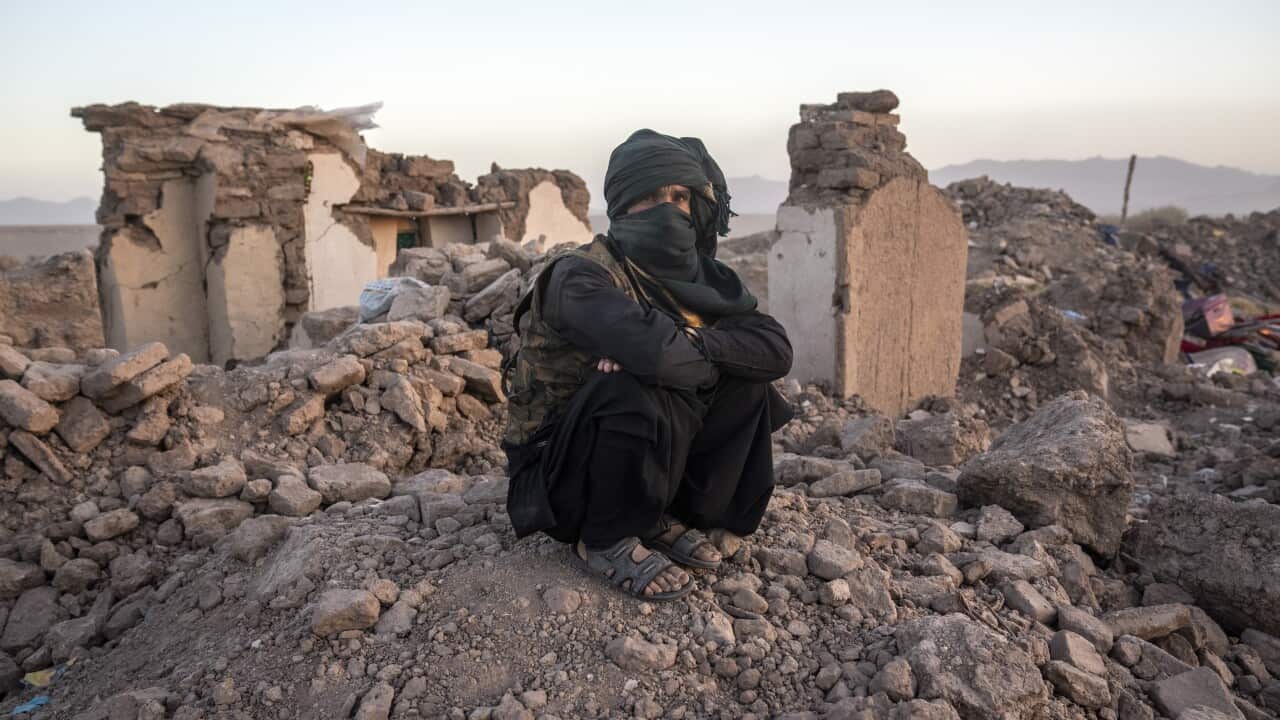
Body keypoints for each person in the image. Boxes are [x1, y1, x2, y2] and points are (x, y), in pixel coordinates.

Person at [502, 129, 793, 600]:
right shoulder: (581, 275)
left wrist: (695, 343)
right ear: (621, 207)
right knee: (636, 384)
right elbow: (659, 358)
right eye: (648, 198)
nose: (667, 210)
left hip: (646, 454)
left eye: (679, 196)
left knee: (746, 382)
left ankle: (665, 516)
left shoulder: (704, 280)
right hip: (557, 470)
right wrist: (688, 353)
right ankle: (603, 539)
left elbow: (776, 350)